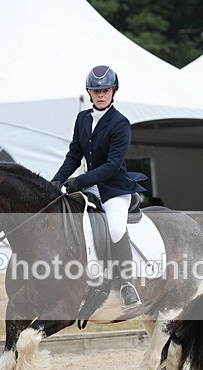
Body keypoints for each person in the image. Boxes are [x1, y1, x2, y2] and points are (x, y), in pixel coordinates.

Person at [51, 65, 146, 309]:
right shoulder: (82, 118)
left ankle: (127, 283)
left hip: (114, 188)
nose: (101, 94)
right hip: (89, 187)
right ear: (89, 92)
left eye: (105, 90)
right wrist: (58, 179)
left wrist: (79, 181)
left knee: (115, 228)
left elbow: (113, 165)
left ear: (114, 91)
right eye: (96, 90)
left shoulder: (120, 123)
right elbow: (74, 155)